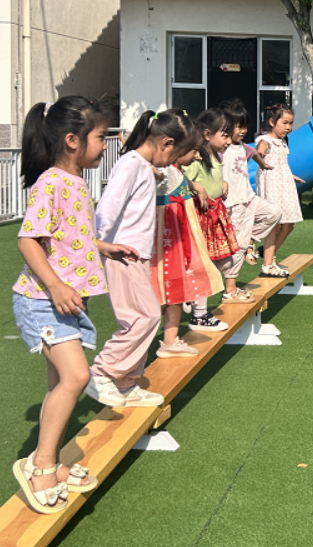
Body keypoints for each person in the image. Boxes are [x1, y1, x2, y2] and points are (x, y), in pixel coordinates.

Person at [10, 98, 135, 512]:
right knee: (77, 376)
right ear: (71, 140)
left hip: (64, 302)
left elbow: (69, 234)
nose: (106, 144)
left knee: (60, 385)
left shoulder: (76, 182)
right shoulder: (51, 182)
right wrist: (56, 285)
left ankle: (52, 458)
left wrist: (104, 247)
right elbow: (29, 240)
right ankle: (40, 465)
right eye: (100, 137)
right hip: (42, 301)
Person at [86, 109, 194, 408]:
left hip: (137, 255)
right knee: (143, 317)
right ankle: (103, 371)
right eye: (175, 155)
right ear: (166, 143)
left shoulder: (143, 165)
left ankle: (126, 383)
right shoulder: (131, 164)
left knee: (146, 317)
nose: (171, 163)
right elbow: (107, 208)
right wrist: (98, 243)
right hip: (123, 255)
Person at [152, 124, 224, 358]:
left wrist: (196, 186)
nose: (196, 156)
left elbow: (181, 180)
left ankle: (170, 340)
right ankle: (137, 347)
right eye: (193, 150)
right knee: (160, 292)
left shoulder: (174, 169)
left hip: (180, 239)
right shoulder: (158, 169)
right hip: (166, 239)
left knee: (176, 290)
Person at [182, 109, 240, 333]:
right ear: (207, 134)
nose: (229, 141)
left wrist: (222, 184)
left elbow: (214, 178)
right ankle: (199, 314)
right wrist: (197, 188)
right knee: (205, 265)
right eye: (224, 135)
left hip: (215, 216)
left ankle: (193, 296)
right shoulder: (196, 158)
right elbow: (181, 179)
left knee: (224, 261)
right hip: (202, 218)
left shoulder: (215, 156)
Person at [219, 102, 283, 292]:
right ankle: (230, 288)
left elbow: (254, 153)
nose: (242, 131)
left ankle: (251, 241)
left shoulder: (243, 147)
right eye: (238, 127)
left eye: (244, 126)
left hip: (250, 198)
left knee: (274, 212)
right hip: (234, 203)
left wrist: (262, 164)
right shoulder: (222, 149)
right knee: (237, 247)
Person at [255, 105, 305, 277]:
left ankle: (267, 252)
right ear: (272, 122)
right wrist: (261, 159)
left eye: (290, 123)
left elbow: (282, 165)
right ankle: (268, 264)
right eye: (284, 123)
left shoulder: (283, 142)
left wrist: (292, 176)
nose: (288, 127)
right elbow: (259, 153)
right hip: (272, 186)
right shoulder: (265, 140)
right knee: (274, 224)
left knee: (289, 224)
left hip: (285, 185)